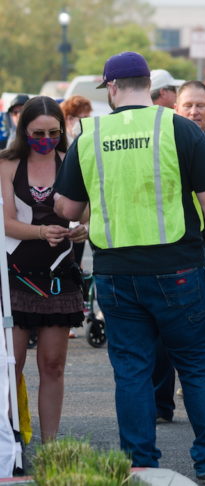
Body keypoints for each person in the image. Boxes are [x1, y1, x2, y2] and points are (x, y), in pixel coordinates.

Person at [53, 51, 205, 483]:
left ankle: (139, 464)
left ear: (113, 88)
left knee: (132, 370)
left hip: (116, 272)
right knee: (198, 365)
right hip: (177, 266)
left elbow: (66, 206)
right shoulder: (177, 128)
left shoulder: (90, 135)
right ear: (148, 83)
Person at [0, 96, 88, 442]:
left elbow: (85, 212)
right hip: (15, 277)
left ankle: (50, 444)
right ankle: (11, 444)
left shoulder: (70, 160)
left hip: (59, 277)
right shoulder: (7, 164)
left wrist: (83, 228)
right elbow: (6, 223)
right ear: (25, 131)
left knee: (53, 365)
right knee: (12, 366)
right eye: (38, 132)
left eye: (53, 132)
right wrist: (40, 231)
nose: (46, 139)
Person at [150, 80, 205, 424]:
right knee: (160, 337)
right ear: (176, 109)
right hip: (172, 252)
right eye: (188, 106)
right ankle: (160, 406)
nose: (194, 112)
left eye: (201, 105)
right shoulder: (163, 145)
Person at [59, 95, 94, 338]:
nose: (86, 120)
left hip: (79, 219)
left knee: (76, 264)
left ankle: (73, 315)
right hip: (63, 215)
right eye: (83, 116)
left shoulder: (85, 141)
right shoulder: (66, 145)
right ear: (70, 118)